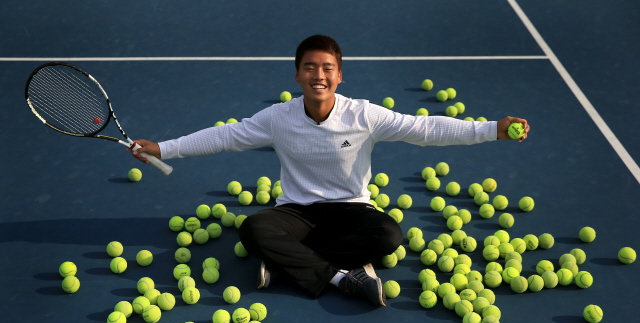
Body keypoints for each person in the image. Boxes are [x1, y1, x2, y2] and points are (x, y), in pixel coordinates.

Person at [131, 34, 530, 308]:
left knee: (389, 233)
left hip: (351, 210)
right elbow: (226, 137)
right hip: (296, 212)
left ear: (339, 75)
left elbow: (424, 129)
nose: (318, 75)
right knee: (253, 229)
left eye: (326, 68)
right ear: (297, 75)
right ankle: (342, 277)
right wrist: (164, 148)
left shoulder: (364, 115)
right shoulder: (278, 118)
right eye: (309, 67)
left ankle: (287, 266)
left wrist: (491, 130)